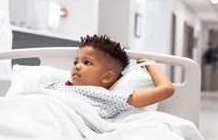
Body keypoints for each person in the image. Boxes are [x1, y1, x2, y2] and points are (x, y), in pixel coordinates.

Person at [39, 34, 175, 120]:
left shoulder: (106, 97)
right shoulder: (60, 85)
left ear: (107, 77)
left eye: (86, 62)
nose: (76, 66)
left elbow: (166, 89)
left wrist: (150, 64)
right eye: (76, 62)